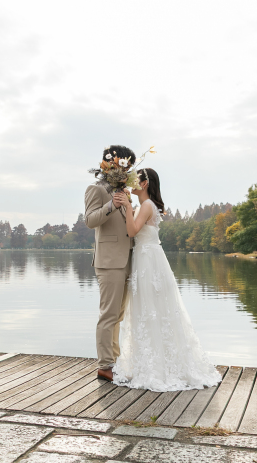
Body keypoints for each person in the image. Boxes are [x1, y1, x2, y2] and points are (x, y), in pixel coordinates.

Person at [111, 168, 221, 391]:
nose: (130, 183)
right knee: (151, 311)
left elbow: (132, 231)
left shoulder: (147, 206)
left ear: (143, 184)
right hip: (148, 258)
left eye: (134, 180)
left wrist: (127, 207)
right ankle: (152, 362)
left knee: (152, 309)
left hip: (148, 261)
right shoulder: (147, 205)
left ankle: (159, 368)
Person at [84, 145, 136, 382]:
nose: (128, 169)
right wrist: (111, 206)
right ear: (111, 163)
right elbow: (90, 220)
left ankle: (115, 362)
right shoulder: (96, 189)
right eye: (125, 164)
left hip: (128, 259)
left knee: (119, 315)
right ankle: (105, 365)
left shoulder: (124, 190)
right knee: (108, 315)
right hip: (109, 261)